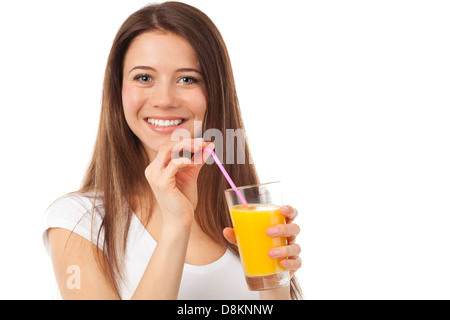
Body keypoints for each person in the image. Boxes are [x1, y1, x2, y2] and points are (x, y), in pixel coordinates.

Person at [43, 1, 302, 300]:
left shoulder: (243, 214)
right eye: (144, 78)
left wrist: (277, 282)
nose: (164, 99)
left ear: (215, 92)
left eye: (187, 79)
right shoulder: (78, 221)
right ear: (118, 91)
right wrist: (176, 225)